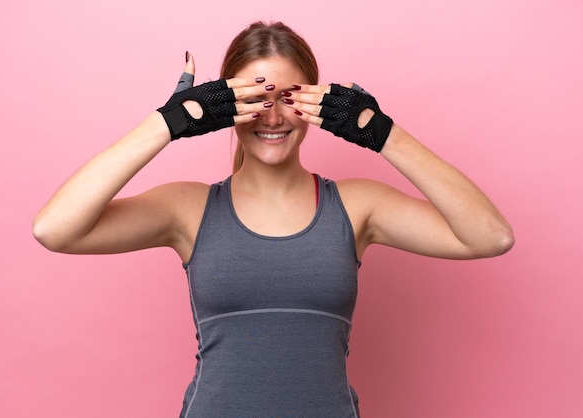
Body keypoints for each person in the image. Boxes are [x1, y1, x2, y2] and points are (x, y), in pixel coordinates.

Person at [33, 21, 514, 417]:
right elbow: (54, 229)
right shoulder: (188, 209)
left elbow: (490, 236)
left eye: (288, 96)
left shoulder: (357, 206)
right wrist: (169, 122)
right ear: (227, 105)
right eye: (255, 96)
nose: (273, 116)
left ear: (314, 104)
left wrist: (382, 133)